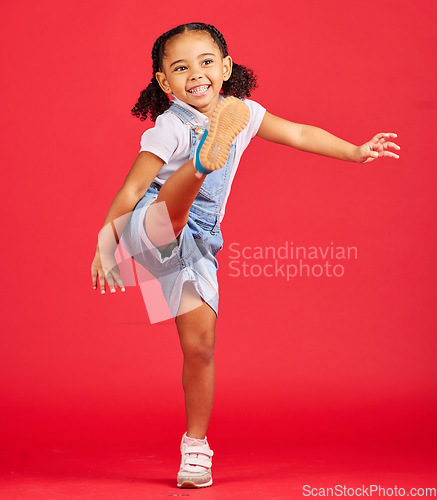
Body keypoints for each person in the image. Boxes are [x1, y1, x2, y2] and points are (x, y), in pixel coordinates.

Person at [90, 22, 400, 489]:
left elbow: (297, 132)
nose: (195, 74)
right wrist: (104, 245)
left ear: (227, 67)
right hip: (146, 224)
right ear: (163, 82)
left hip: (197, 247)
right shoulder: (169, 125)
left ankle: (195, 449)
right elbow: (133, 187)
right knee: (166, 218)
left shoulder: (246, 114)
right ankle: (200, 161)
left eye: (206, 62)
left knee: (201, 348)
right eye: (180, 68)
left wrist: (355, 152)